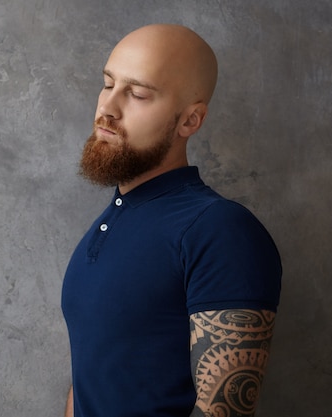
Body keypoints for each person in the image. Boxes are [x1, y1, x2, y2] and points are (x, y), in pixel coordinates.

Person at [61, 24, 282, 417]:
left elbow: (222, 412)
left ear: (190, 121)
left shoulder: (219, 230)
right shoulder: (110, 221)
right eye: (107, 84)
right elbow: (88, 379)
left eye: (137, 93)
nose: (107, 109)